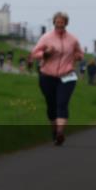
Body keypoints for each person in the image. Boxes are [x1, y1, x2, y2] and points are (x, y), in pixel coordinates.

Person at [30, 11, 84, 145]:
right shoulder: (46, 37)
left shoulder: (72, 39)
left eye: (62, 22)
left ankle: (60, 132)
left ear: (66, 23)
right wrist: (45, 53)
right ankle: (54, 131)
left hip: (67, 76)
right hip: (47, 76)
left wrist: (78, 57)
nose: (60, 24)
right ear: (54, 23)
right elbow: (34, 53)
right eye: (57, 22)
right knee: (51, 105)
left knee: (62, 103)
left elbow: (80, 53)